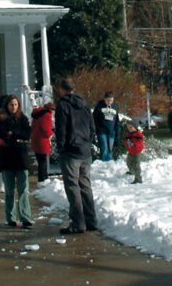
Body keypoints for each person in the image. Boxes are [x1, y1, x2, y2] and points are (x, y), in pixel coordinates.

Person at [54, 77, 98, 234]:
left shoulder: (63, 105)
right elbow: (92, 126)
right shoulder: (84, 103)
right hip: (85, 150)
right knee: (85, 185)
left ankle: (78, 223)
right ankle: (91, 220)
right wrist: (87, 141)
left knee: (72, 187)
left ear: (62, 89)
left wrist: (61, 147)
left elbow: (61, 129)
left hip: (71, 151)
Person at [0, 94, 33, 228]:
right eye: (11, 104)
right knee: (10, 190)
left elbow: (27, 134)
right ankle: (10, 218)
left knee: (23, 189)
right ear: (7, 106)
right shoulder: (1, 119)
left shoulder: (23, 118)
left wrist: (14, 134)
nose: (14, 107)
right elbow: (1, 133)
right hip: (7, 158)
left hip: (21, 158)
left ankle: (25, 216)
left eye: (16, 104)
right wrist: (15, 136)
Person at [30, 101, 55, 182]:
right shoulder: (47, 115)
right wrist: (52, 133)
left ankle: (42, 179)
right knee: (43, 161)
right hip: (42, 141)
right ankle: (43, 179)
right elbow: (46, 130)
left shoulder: (37, 114)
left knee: (40, 161)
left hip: (35, 139)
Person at [93, 91, 119, 162]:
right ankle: (104, 163)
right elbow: (94, 118)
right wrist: (95, 129)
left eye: (111, 100)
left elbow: (117, 121)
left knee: (110, 148)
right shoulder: (99, 106)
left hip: (111, 132)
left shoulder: (115, 108)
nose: (109, 102)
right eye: (107, 100)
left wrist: (117, 134)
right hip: (102, 131)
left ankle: (109, 164)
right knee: (104, 148)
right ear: (104, 99)